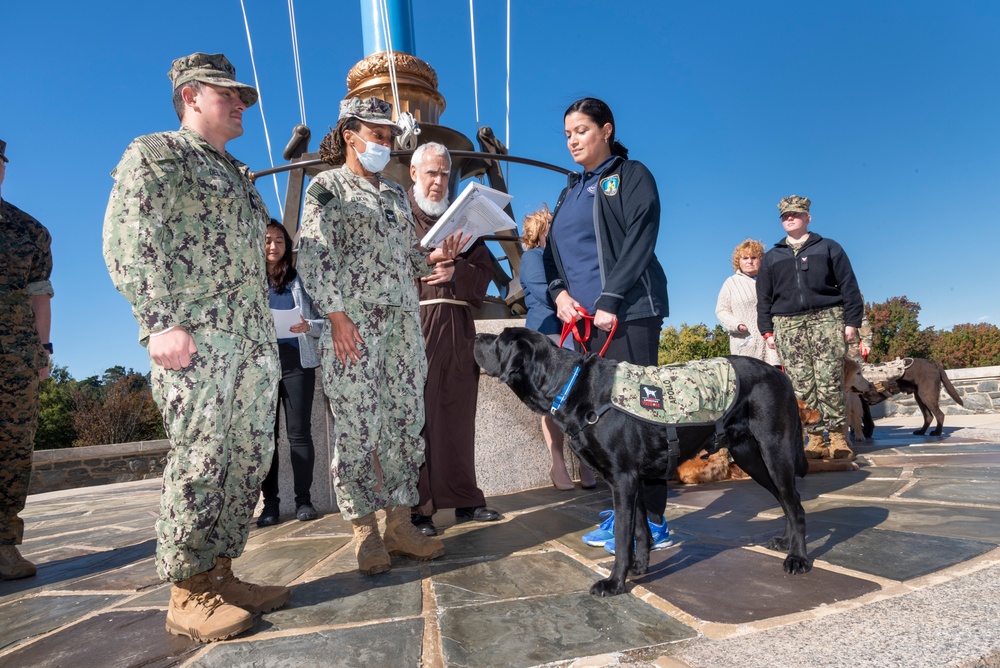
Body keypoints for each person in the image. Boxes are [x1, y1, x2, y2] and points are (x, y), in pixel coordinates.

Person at [103, 53, 289, 642]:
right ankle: (186, 591)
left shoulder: (240, 174)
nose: (240, 106)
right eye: (228, 95)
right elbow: (128, 235)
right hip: (196, 338)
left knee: (247, 460)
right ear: (190, 96)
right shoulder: (154, 154)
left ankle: (220, 572)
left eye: (242, 98)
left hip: (250, 341)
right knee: (202, 458)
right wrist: (160, 321)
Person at [296, 97, 465, 576]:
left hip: (402, 328)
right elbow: (313, 254)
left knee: (403, 422)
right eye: (378, 135)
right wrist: (336, 315)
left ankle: (398, 523)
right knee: (356, 427)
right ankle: (365, 533)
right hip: (354, 326)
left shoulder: (393, 194)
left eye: (391, 137)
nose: (387, 144)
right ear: (350, 134)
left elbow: (405, 259)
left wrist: (434, 261)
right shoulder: (327, 188)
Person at [542, 97, 671, 555]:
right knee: (608, 422)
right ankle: (625, 509)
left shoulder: (630, 175)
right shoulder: (569, 190)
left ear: (607, 130)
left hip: (629, 315)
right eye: (568, 134)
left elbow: (642, 233)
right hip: (585, 324)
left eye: (581, 130)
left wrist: (611, 298)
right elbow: (550, 254)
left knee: (640, 417)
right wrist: (559, 295)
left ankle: (651, 517)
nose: (574, 140)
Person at [406, 142, 502, 537]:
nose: (438, 181)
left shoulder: (463, 222)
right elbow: (384, 269)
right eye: (431, 173)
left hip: (459, 327)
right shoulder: (400, 219)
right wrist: (427, 264)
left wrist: (457, 272)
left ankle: (465, 499)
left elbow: (487, 274)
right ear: (414, 174)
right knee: (421, 418)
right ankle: (420, 508)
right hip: (417, 326)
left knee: (460, 416)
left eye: (444, 173)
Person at [756, 195, 864, 460]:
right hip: (788, 325)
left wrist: (851, 322)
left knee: (830, 380)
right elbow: (764, 297)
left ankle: (838, 437)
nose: (789, 218)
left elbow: (849, 286)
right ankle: (814, 439)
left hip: (826, 318)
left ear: (807, 217)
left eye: (795, 214)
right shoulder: (772, 257)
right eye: (785, 216)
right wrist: (767, 331)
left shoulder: (828, 248)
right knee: (801, 384)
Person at [0, 138, 53, 581]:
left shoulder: (27, 230)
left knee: (12, 450)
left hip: (15, 357)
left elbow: (39, 297)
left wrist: (43, 349)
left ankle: (4, 545)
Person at [520, 205, 597, 491]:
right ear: (540, 231)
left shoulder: (564, 261)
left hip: (572, 335)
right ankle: (558, 464)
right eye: (552, 224)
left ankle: (585, 463)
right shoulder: (532, 257)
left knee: (578, 401)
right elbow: (544, 291)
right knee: (552, 405)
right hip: (549, 336)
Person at [256, 220, 326, 527]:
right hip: (262, 368)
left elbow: (325, 321)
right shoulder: (250, 280)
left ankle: (303, 501)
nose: (273, 246)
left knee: (299, 434)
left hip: (298, 363)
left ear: (287, 246)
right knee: (265, 439)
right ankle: (270, 505)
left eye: (279, 241)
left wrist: (308, 327)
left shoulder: (301, 279)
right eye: (268, 240)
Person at [715, 238, 781, 367]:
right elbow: (721, 310)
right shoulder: (731, 283)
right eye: (745, 258)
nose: (750, 261)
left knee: (774, 380)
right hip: (745, 343)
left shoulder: (772, 281)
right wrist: (736, 325)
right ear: (738, 261)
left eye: (754, 257)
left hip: (772, 345)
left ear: (761, 259)